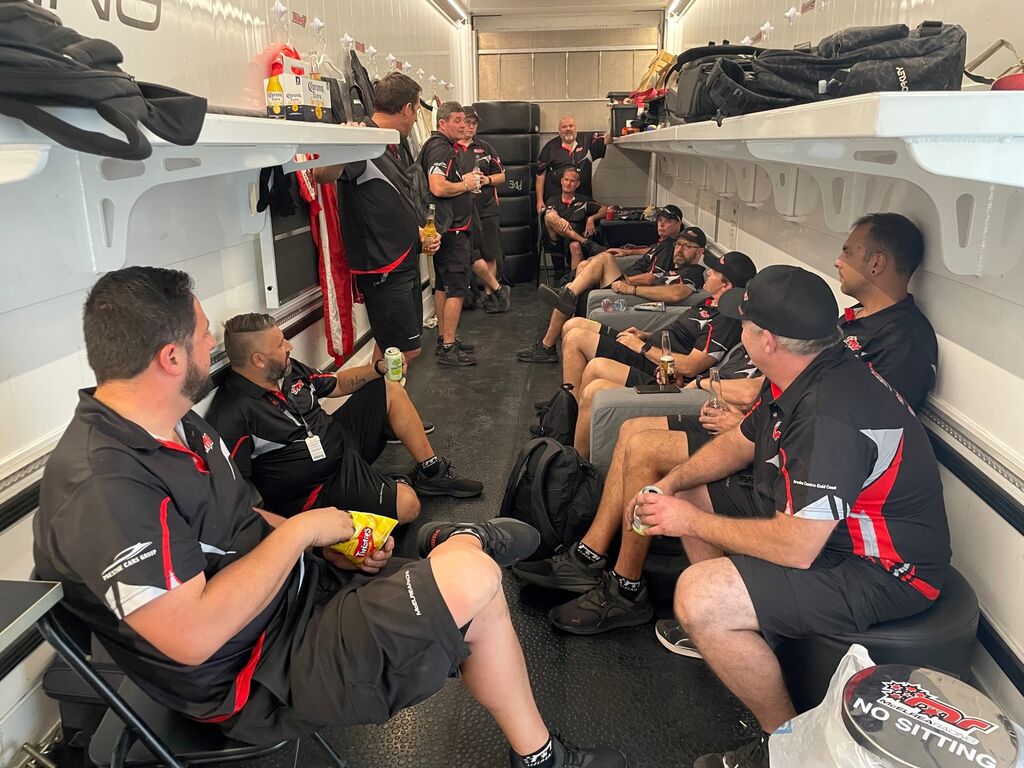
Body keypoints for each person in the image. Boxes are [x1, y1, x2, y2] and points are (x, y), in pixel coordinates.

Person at [34, 266, 626, 768]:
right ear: (170, 357)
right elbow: (190, 638)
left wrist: (328, 547)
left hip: (295, 598)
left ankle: (540, 753)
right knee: (472, 580)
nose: (208, 348)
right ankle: (459, 545)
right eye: (201, 339)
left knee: (478, 593)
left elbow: (242, 518)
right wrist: (302, 531)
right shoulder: (104, 487)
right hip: (253, 670)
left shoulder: (176, 424)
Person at [634, 266, 949, 767]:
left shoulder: (828, 414)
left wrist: (686, 522)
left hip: (884, 569)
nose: (741, 333)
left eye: (745, 326)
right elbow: (740, 443)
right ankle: (743, 634)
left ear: (768, 340)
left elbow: (798, 547)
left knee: (698, 596)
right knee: (692, 494)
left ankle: (784, 744)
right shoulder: (805, 370)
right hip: (832, 538)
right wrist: (673, 485)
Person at [205, 313, 483, 524]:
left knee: (388, 388)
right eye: (280, 343)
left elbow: (336, 383)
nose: (289, 345)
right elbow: (234, 496)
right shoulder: (232, 412)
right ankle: (384, 491)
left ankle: (431, 472)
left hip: (339, 444)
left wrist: (377, 368)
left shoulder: (286, 370)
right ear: (258, 360)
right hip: (317, 489)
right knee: (409, 506)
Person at [312, 72, 440, 368]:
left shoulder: (386, 144)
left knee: (390, 348)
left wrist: (418, 233)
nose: (414, 119)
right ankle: (384, 410)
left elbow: (388, 201)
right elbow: (322, 175)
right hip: (385, 267)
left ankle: (381, 409)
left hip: (402, 261)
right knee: (404, 352)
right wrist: (345, 145)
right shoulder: (363, 140)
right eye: (416, 111)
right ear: (407, 108)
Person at [556, 251, 757, 397]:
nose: (708, 273)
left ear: (726, 285)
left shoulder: (726, 319)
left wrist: (642, 347)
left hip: (660, 368)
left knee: (576, 338)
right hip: (649, 347)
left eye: (714, 272)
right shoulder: (707, 302)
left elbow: (690, 367)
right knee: (573, 324)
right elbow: (682, 336)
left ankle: (566, 412)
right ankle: (565, 403)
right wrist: (644, 334)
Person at [517, 207, 685, 364]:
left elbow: (651, 278)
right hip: (625, 282)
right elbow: (649, 250)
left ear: (678, 225)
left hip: (629, 290)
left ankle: (566, 295)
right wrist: (627, 252)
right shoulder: (661, 244)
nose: (662, 224)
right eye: (660, 220)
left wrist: (628, 281)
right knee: (583, 266)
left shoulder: (671, 246)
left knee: (604, 258)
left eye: (668, 221)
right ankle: (567, 294)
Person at [836, 212, 937, 412]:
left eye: (848, 253)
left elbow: (863, 423)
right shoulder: (858, 314)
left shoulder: (905, 341)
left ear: (876, 263)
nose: (838, 261)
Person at [418, 101, 485, 367]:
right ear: (442, 123)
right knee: (457, 288)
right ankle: (447, 347)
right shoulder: (440, 147)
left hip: (451, 229)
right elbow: (437, 186)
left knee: (444, 285)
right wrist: (465, 183)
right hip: (454, 231)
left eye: (464, 120)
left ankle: (446, 338)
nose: (462, 124)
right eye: (456, 120)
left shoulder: (444, 148)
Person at [459, 105, 512, 314]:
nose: (471, 127)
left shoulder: (486, 148)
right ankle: (476, 292)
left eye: (474, 123)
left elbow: (502, 176)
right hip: (462, 210)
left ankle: (491, 295)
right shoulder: (450, 148)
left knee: (490, 253)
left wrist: (486, 179)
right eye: (468, 122)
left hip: (487, 207)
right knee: (469, 255)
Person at [541, 166, 608, 272]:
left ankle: (574, 283)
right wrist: (560, 219)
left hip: (574, 244)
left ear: (577, 184)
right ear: (561, 181)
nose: (568, 183)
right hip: (556, 243)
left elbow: (605, 209)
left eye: (572, 181)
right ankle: (585, 241)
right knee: (549, 216)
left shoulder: (583, 200)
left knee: (575, 245)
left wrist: (591, 218)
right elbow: (550, 213)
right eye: (566, 180)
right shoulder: (553, 199)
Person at [535, 115, 607, 211]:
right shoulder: (550, 147)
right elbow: (540, 174)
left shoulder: (587, 140)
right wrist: (539, 200)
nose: (568, 129)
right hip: (556, 201)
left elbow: (607, 139)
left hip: (582, 200)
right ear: (559, 131)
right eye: (564, 127)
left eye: (571, 126)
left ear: (576, 128)